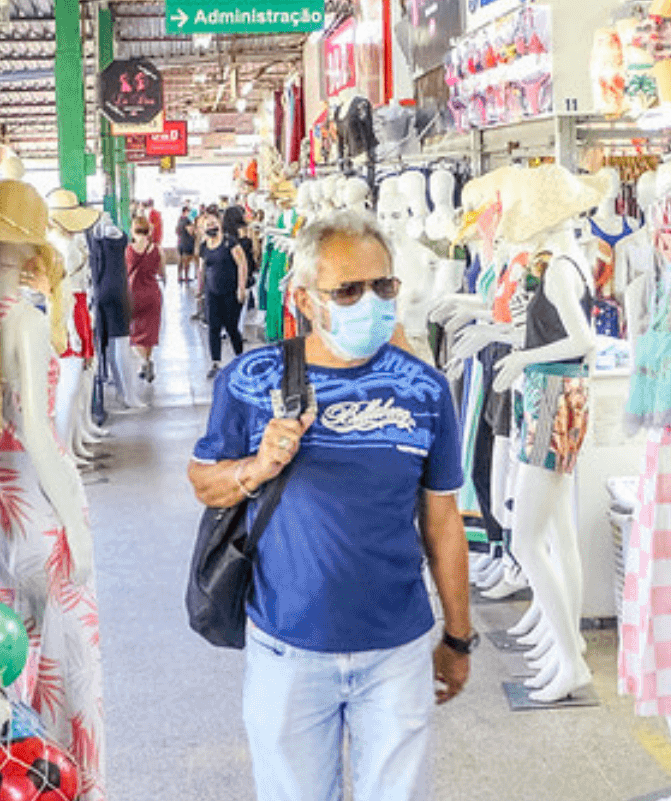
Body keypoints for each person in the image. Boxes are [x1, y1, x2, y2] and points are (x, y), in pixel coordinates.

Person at [187, 210, 475, 801]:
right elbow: (203, 482)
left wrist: (459, 636)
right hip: (286, 650)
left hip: (397, 652)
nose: (368, 301)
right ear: (304, 299)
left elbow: (442, 519)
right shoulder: (250, 379)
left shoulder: (424, 389)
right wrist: (257, 467)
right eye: (348, 289)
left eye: (382, 286)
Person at [198, 211, 250, 377]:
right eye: (207, 225)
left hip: (230, 292)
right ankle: (215, 362)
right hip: (212, 293)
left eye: (213, 223)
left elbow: (242, 264)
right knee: (213, 327)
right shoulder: (204, 246)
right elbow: (201, 269)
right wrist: (200, 291)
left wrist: (241, 288)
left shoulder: (229, 242)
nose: (211, 227)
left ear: (219, 224)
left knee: (232, 328)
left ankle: (240, 358)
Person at [127, 218, 164, 382]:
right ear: (149, 231)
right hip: (153, 294)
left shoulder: (128, 250)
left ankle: (144, 362)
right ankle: (146, 363)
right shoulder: (158, 250)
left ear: (133, 231)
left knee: (133, 334)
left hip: (133, 295)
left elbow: (123, 273)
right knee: (149, 332)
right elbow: (162, 273)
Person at [176, 207, 197, 284]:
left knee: (180, 261)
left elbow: (176, 231)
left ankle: (179, 276)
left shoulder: (179, 220)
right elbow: (191, 232)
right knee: (187, 261)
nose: (190, 214)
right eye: (189, 212)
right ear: (185, 212)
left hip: (180, 242)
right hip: (187, 243)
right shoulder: (187, 221)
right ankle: (186, 277)